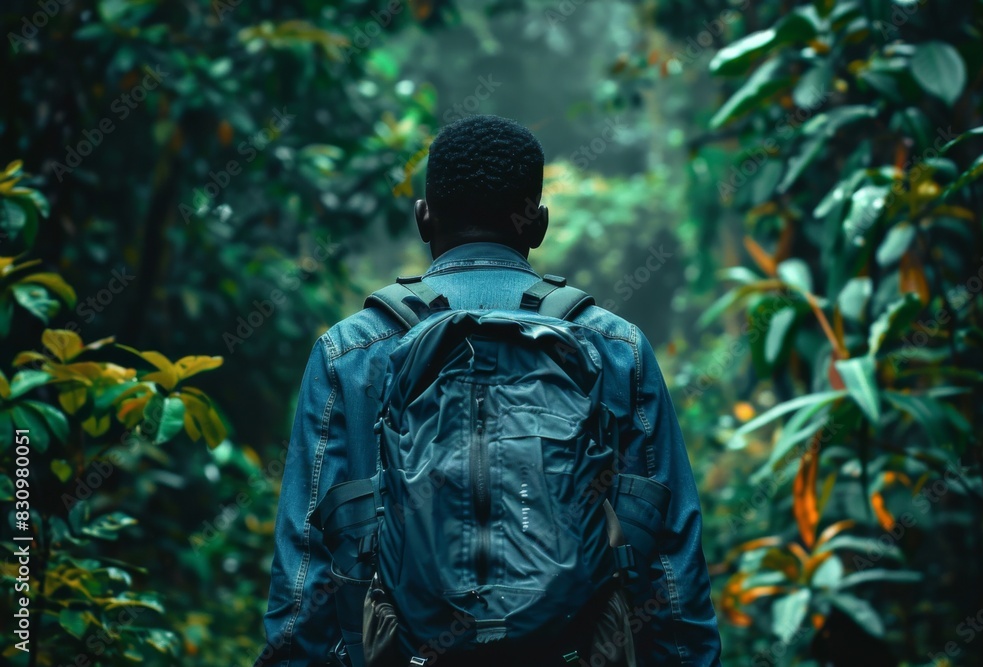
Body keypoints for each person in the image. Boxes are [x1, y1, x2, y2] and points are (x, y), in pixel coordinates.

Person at [257, 114, 721, 667]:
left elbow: (306, 569)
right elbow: (669, 561)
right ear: (538, 224)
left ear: (422, 219)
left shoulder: (351, 351)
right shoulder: (616, 347)